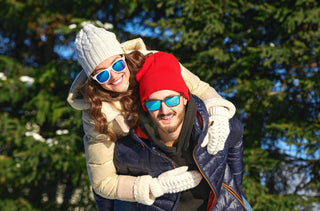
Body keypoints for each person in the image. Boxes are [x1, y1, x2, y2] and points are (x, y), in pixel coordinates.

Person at [67, 24, 236, 206]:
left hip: (187, 156)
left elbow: (201, 89)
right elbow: (102, 182)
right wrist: (154, 186)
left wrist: (217, 114)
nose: (114, 76)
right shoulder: (97, 113)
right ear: (93, 80)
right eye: (102, 75)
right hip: (141, 177)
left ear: (123, 56)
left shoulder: (155, 63)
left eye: (117, 64)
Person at [108, 52, 250, 210]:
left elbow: (236, 137)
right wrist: (153, 188)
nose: (164, 110)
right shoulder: (129, 151)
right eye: (154, 104)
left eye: (172, 99)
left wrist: (235, 188)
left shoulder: (212, 127)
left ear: (184, 98)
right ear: (145, 108)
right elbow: (110, 196)